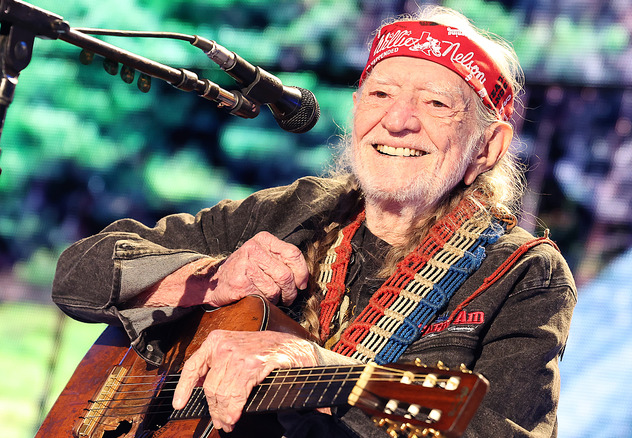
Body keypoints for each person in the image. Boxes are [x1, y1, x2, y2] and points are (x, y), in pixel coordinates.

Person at [52, 5, 576, 438]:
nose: (397, 120)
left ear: (488, 146)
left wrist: (326, 373)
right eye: (381, 94)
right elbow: (78, 274)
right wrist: (215, 281)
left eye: (436, 103)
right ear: (355, 111)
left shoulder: (524, 273)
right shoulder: (296, 209)